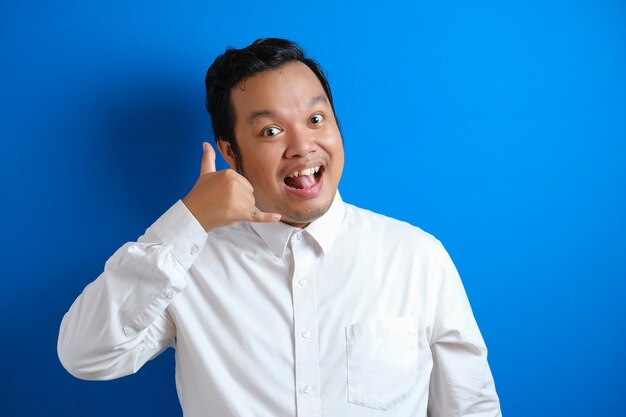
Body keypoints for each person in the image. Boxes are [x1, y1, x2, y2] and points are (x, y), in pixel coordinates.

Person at [58, 38, 501, 417]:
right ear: (231, 153)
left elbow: (470, 407)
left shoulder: (416, 257)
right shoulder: (186, 265)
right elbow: (86, 356)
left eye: (315, 119)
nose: (303, 146)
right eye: (270, 131)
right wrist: (188, 221)